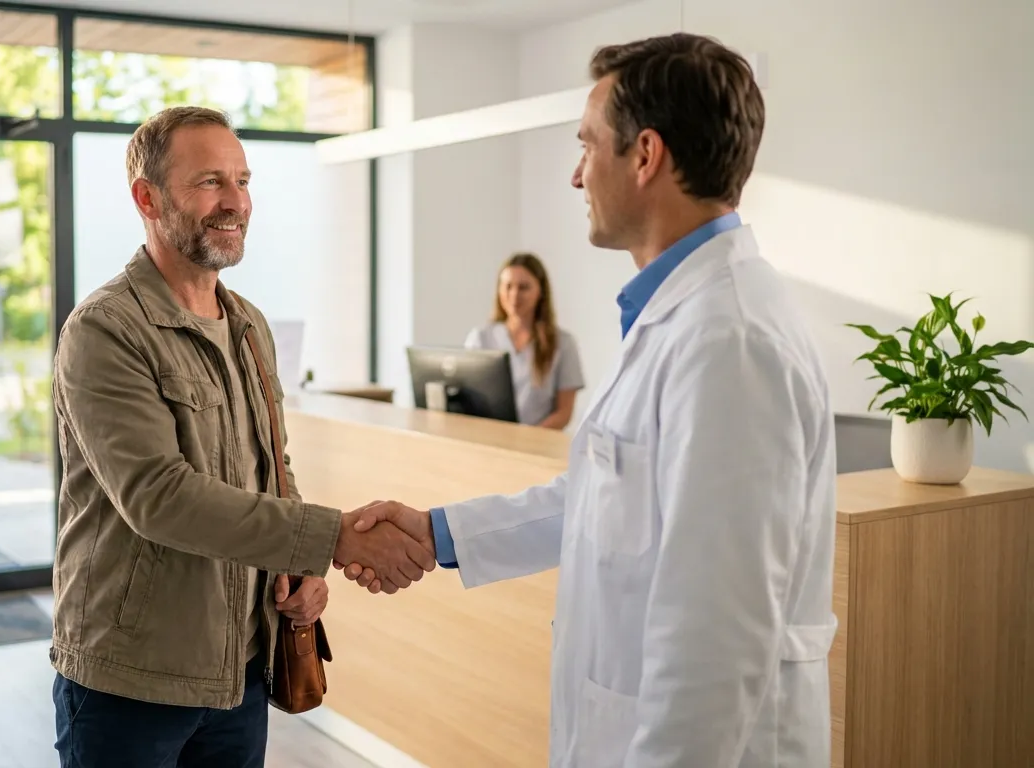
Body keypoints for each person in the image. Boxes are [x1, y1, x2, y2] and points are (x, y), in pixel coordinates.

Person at [342, 33, 837, 767]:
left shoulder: (728, 340)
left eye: (587, 145)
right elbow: (604, 499)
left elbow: (716, 639)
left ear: (645, 156)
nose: (577, 177)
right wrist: (439, 532)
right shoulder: (679, 316)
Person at [49, 105, 435, 768]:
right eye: (210, 183)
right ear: (148, 197)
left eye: (243, 181)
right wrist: (333, 535)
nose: (235, 203)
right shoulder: (106, 330)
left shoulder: (249, 325)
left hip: (242, 671)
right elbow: (160, 497)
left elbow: (272, 470)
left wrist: (302, 569)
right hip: (131, 680)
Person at [464, 253, 585, 429]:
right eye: (508, 286)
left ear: (540, 291)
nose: (514, 295)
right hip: (488, 441)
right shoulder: (480, 338)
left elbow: (564, 413)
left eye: (524, 287)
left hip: (536, 446)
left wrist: (527, 439)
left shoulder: (563, 343)